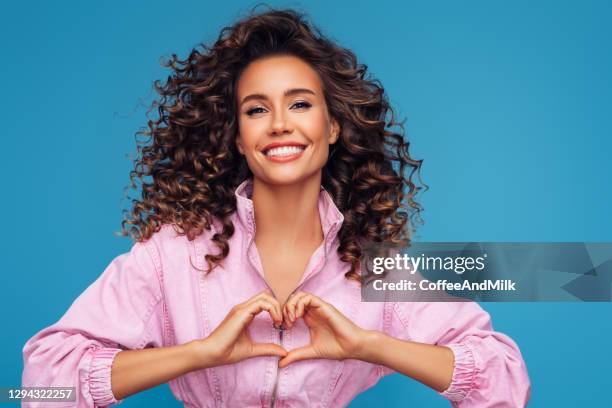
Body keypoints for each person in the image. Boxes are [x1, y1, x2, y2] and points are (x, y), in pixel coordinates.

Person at [22, 7, 531, 408]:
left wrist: (367, 346)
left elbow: (505, 382)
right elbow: (37, 389)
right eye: (257, 109)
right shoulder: (170, 254)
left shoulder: (378, 271)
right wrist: (197, 355)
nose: (279, 123)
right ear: (239, 139)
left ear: (332, 128)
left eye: (301, 103)